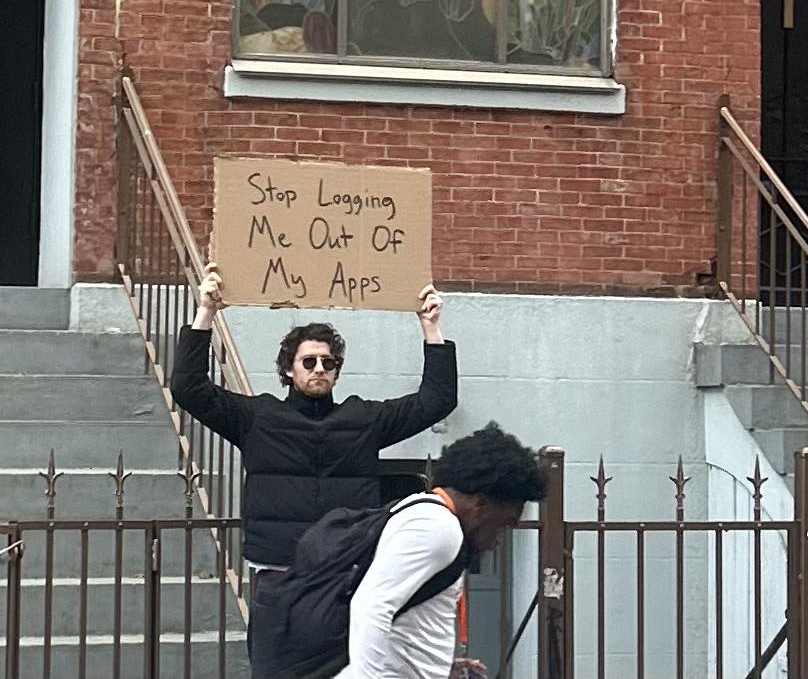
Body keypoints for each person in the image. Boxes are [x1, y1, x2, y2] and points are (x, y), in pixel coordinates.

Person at [170, 262, 458, 660]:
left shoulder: (364, 420)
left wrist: (431, 327)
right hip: (278, 573)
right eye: (309, 362)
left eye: (328, 362)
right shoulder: (258, 418)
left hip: (346, 578)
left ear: (337, 372)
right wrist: (206, 312)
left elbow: (436, 400)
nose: (319, 368)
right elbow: (189, 388)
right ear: (289, 370)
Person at [334, 423, 548, 679]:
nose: (499, 540)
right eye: (503, 525)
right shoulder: (438, 528)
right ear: (480, 504)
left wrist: (437, 664)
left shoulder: (424, 512)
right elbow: (372, 606)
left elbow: (411, 616)